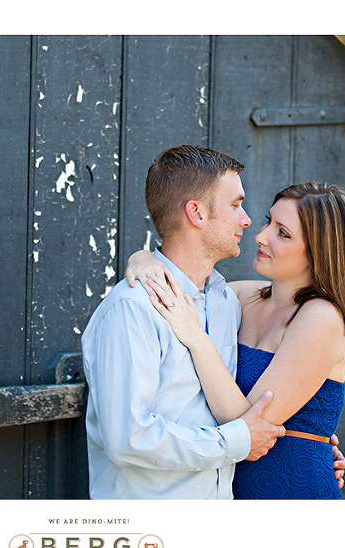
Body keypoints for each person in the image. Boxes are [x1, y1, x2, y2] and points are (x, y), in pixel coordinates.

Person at [126, 178, 345, 499]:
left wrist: (197, 338)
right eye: (270, 221)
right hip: (227, 483)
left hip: (289, 489)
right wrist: (143, 259)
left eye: (282, 233)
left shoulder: (321, 318)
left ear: (319, 253)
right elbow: (181, 282)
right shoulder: (242, 296)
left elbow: (247, 426)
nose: (261, 236)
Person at [81, 145, 286, 500]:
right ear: (196, 213)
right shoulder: (132, 309)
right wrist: (236, 441)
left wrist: (313, 447)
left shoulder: (226, 304)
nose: (247, 219)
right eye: (236, 205)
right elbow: (127, 439)